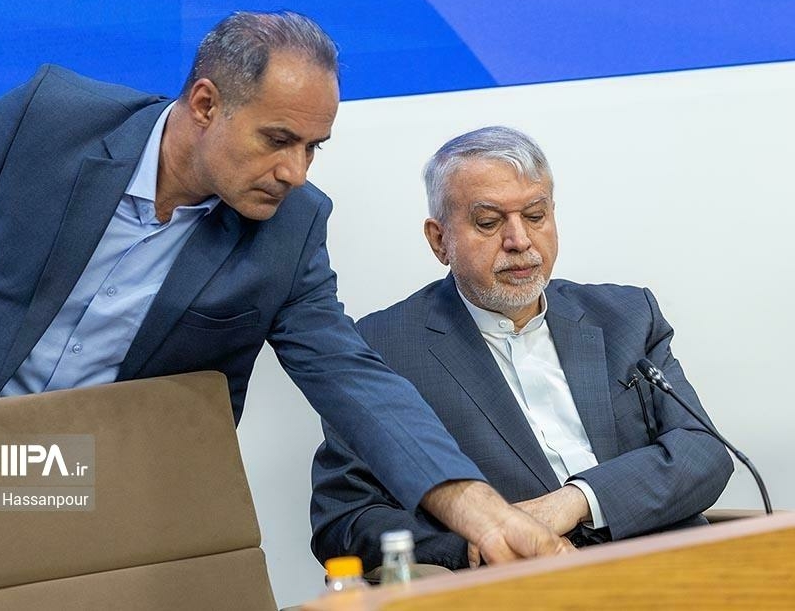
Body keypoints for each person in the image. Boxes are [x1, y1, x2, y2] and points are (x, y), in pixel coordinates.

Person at [0, 14, 568, 608]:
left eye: (313, 147)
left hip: (86, 507)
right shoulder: (51, 118)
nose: (295, 172)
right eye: (278, 140)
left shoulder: (290, 229)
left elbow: (351, 377)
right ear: (205, 104)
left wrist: (477, 507)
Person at [310, 126, 733, 572]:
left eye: (535, 215)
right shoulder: (382, 346)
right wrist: (479, 543)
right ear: (439, 240)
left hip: (670, 571)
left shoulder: (625, 316)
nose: (520, 241)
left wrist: (575, 501)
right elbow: (345, 519)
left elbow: (702, 452)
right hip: (520, 588)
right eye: (489, 222)